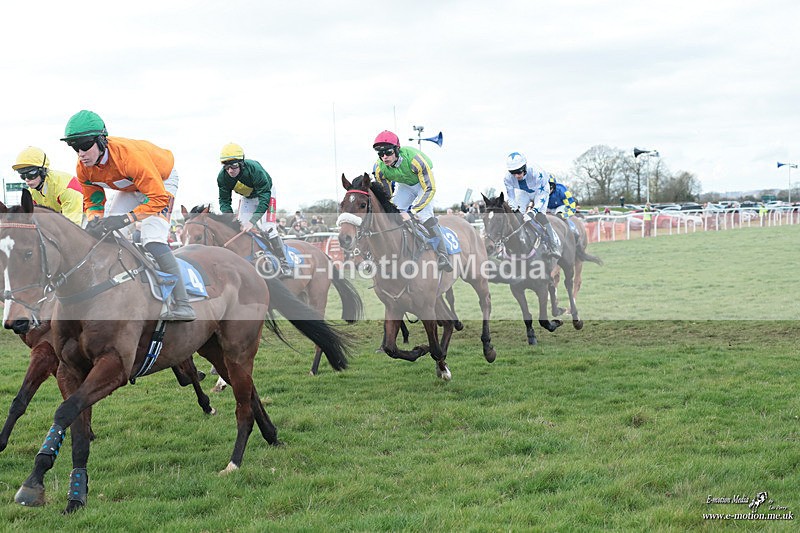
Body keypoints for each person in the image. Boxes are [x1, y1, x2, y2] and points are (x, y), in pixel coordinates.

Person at [60, 109, 196, 321]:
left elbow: (158, 198)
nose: (80, 153)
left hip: (161, 182)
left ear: (101, 140)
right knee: (104, 235)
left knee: (152, 238)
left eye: (85, 145)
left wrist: (126, 219)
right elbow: (93, 201)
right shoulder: (83, 168)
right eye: (74, 147)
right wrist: (95, 221)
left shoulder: (129, 157)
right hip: (130, 187)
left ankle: (183, 303)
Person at [372, 130, 452, 272]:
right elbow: (387, 195)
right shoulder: (379, 169)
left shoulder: (415, 160)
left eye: (388, 152)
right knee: (393, 215)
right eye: (380, 153)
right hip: (405, 186)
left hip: (423, 185)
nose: (384, 157)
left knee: (423, 216)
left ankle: (443, 255)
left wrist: (412, 212)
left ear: (397, 149)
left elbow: (429, 188)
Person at [217, 143, 291, 277]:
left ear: (242, 163)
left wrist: (253, 221)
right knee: (238, 229)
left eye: (233, 166)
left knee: (268, 228)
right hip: (247, 198)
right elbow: (224, 201)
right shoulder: (222, 177)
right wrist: (229, 218)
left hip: (266, 194)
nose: (230, 171)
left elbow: (264, 198)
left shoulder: (255, 169)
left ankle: (284, 263)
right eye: (226, 167)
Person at [502, 152, 561, 258]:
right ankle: (508, 248)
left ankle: (553, 245)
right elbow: (511, 198)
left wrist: (533, 211)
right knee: (518, 216)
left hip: (540, 192)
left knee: (539, 216)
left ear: (524, 167)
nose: (516, 176)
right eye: (513, 173)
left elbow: (542, 195)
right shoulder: (507, 178)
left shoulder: (537, 172)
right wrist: (515, 209)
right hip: (523, 192)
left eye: (518, 172)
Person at [11, 146, 84, 226]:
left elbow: (72, 228)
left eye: (30, 174)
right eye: (23, 175)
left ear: (42, 171)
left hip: (86, 221)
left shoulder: (66, 188)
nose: (27, 180)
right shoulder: (32, 193)